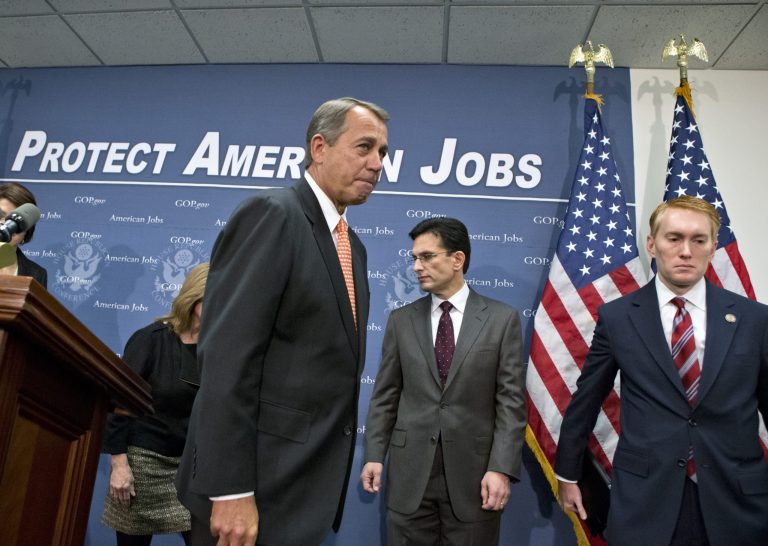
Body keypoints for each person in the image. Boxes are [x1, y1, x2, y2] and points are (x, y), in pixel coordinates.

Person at [175, 97, 389, 546]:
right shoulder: (274, 215)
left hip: (300, 492)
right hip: (250, 489)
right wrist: (231, 489)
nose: (376, 164)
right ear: (319, 147)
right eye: (364, 147)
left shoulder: (355, 249)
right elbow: (228, 358)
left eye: (383, 153)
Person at [556, 196, 768, 545]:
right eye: (674, 238)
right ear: (652, 245)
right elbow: (587, 400)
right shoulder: (618, 318)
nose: (686, 251)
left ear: (713, 247)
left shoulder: (753, 319)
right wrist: (568, 473)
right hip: (646, 498)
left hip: (737, 498)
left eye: (698, 240)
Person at [361, 217, 527, 546]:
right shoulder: (401, 320)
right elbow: (385, 396)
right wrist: (374, 455)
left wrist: (501, 468)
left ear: (457, 259)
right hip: (410, 479)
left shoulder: (502, 319)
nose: (417, 267)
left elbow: (510, 403)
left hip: (475, 478)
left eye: (427, 256)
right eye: (415, 258)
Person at [102, 262, 209, 546]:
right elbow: (120, 403)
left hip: (192, 470)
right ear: (194, 296)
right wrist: (119, 465)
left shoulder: (219, 348)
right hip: (143, 465)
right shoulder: (152, 340)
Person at [0, 182, 47, 288]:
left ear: (27, 230)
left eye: (14, 220)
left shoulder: (37, 274)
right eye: (0, 216)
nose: (5, 224)